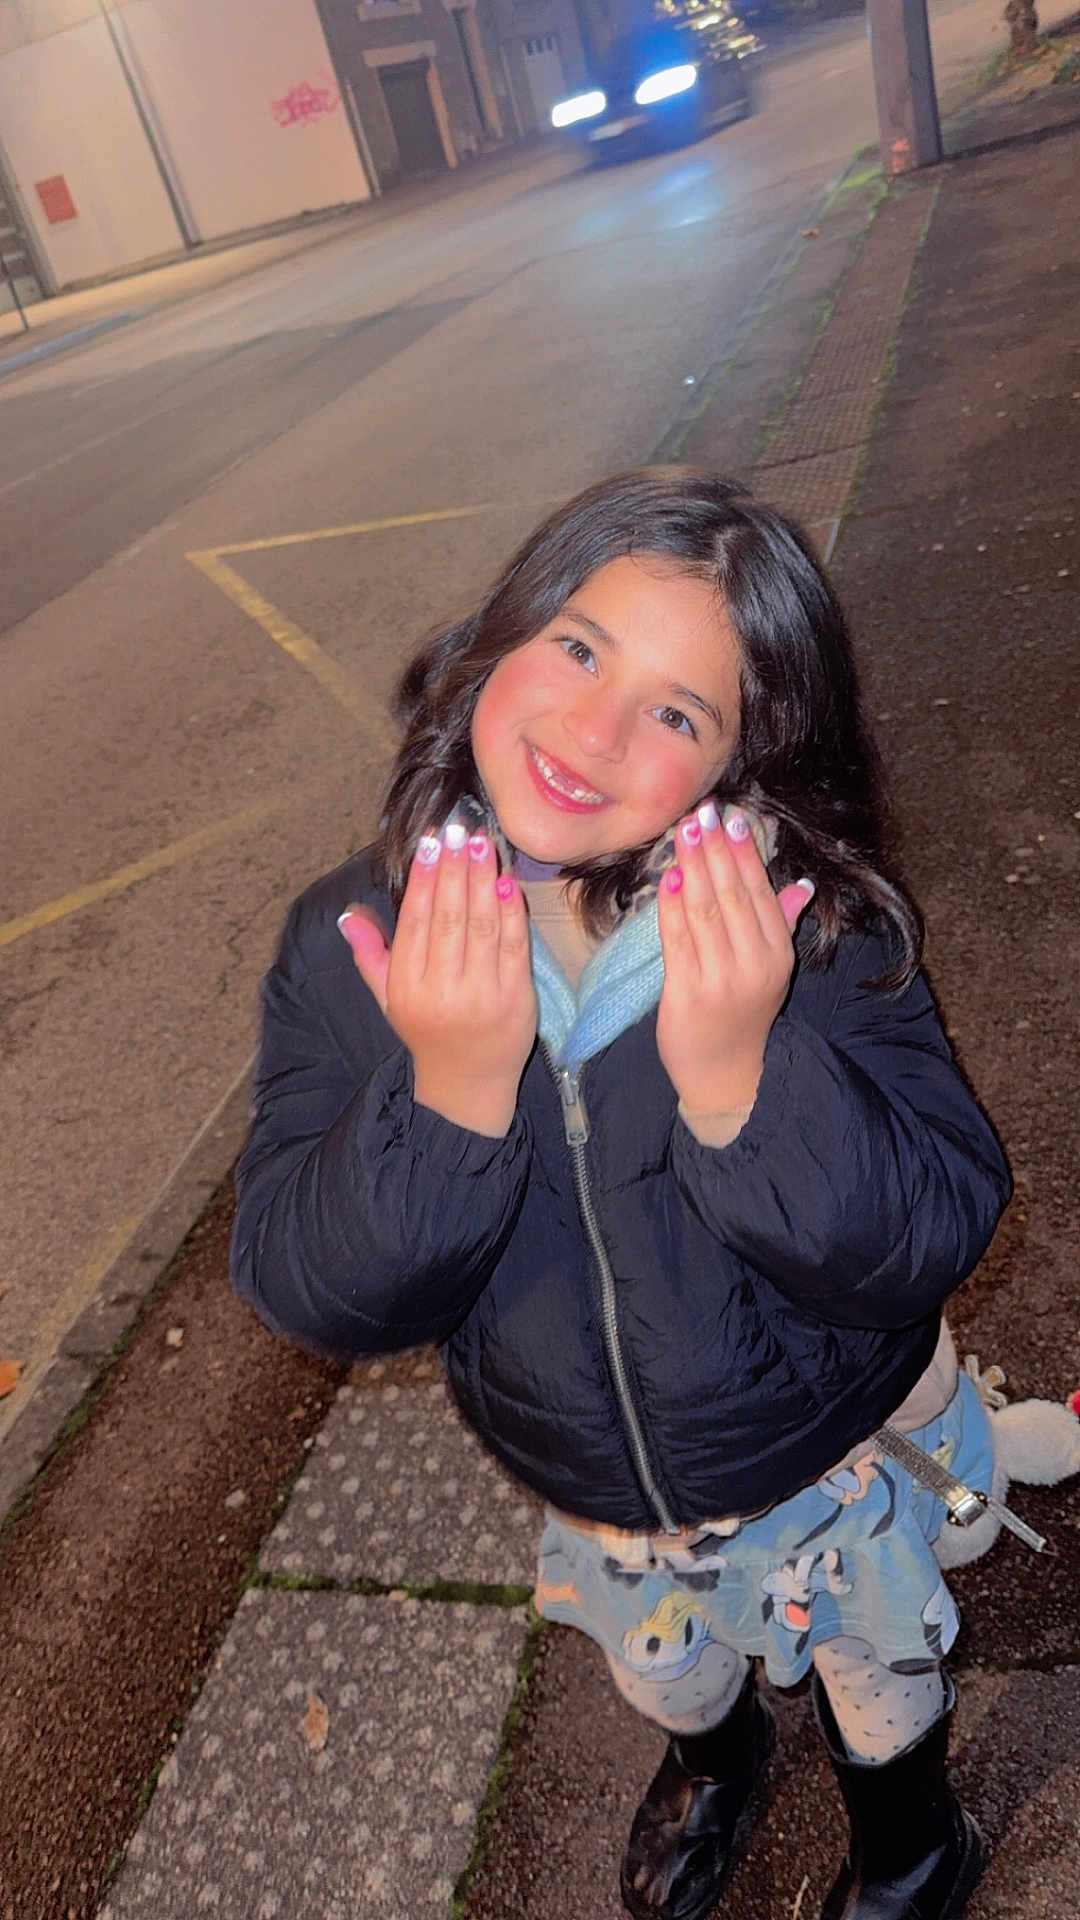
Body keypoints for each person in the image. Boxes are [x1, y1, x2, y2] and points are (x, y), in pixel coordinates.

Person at [231, 470, 1010, 1920]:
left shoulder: (803, 917)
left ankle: (912, 1838)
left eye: (677, 713)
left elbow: (940, 1218)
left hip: (811, 1450)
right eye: (580, 647)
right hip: (586, 1477)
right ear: (495, 642)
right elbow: (308, 1284)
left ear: (744, 763)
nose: (594, 731)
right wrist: (450, 1098)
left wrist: (738, 1079)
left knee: (873, 1668)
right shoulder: (353, 943)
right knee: (664, 1657)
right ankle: (716, 1762)